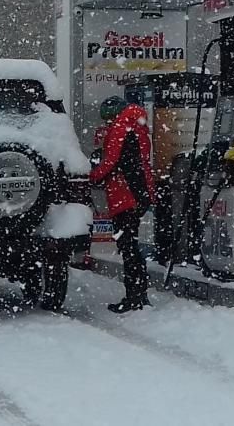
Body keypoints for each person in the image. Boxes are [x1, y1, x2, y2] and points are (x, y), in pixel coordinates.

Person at [89, 95, 156, 313]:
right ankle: (139, 294)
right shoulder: (136, 126)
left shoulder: (121, 127)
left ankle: (134, 297)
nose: (107, 124)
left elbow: (111, 161)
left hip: (125, 194)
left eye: (107, 120)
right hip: (137, 193)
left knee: (128, 247)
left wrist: (93, 175)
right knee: (131, 245)